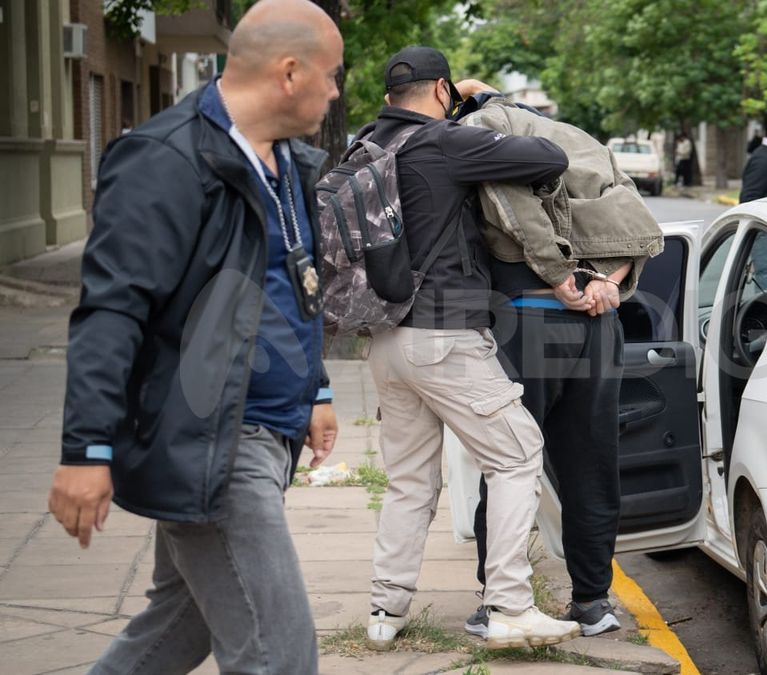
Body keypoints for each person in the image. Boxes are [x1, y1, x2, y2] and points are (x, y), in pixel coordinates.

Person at [47, 1, 342, 672]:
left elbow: (286, 284)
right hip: (211, 438)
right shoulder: (165, 159)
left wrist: (315, 385)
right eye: (330, 75)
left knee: (173, 633)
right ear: (289, 72)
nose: (333, 91)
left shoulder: (288, 161)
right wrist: (85, 448)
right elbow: (112, 312)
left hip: (265, 431)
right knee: (280, 657)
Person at [350, 45, 580, 651]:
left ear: (386, 98)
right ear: (442, 91)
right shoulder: (444, 143)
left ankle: (385, 611)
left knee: (407, 480)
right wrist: (491, 103)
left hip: (385, 341)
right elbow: (549, 156)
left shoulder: (366, 146)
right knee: (517, 454)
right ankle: (509, 604)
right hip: (444, 336)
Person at [453, 89, 663, 640]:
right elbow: (634, 218)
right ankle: (593, 603)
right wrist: (607, 286)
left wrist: (562, 283)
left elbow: (516, 223)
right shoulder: (579, 141)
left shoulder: (481, 136)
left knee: (507, 465)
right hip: (597, 328)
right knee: (592, 466)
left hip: (527, 322)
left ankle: (497, 602)